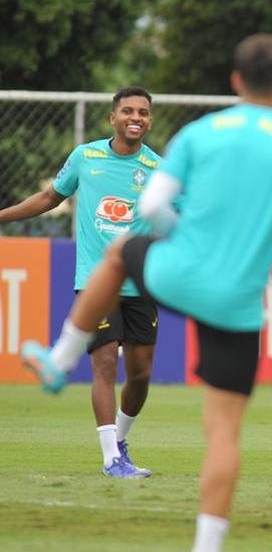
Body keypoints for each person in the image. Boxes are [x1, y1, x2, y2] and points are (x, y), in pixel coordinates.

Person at [21, 34, 272, 552]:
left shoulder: (198, 134)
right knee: (224, 433)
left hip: (179, 273)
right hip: (237, 300)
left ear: (234, 80)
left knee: (119, 253)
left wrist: (183, 243)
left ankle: (60, 360)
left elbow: (153, 205)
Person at [0, 87, 162, 478]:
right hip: (96, 280)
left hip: (140, 282)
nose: (135, 117)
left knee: (140, 374)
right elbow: (48, 197)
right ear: (113, 118)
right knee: (104, 363)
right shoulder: (86, 157)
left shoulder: (159, 170)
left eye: (142, 112)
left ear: (149, 120)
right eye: (128, 111)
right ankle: (110, 459)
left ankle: (121, 441)